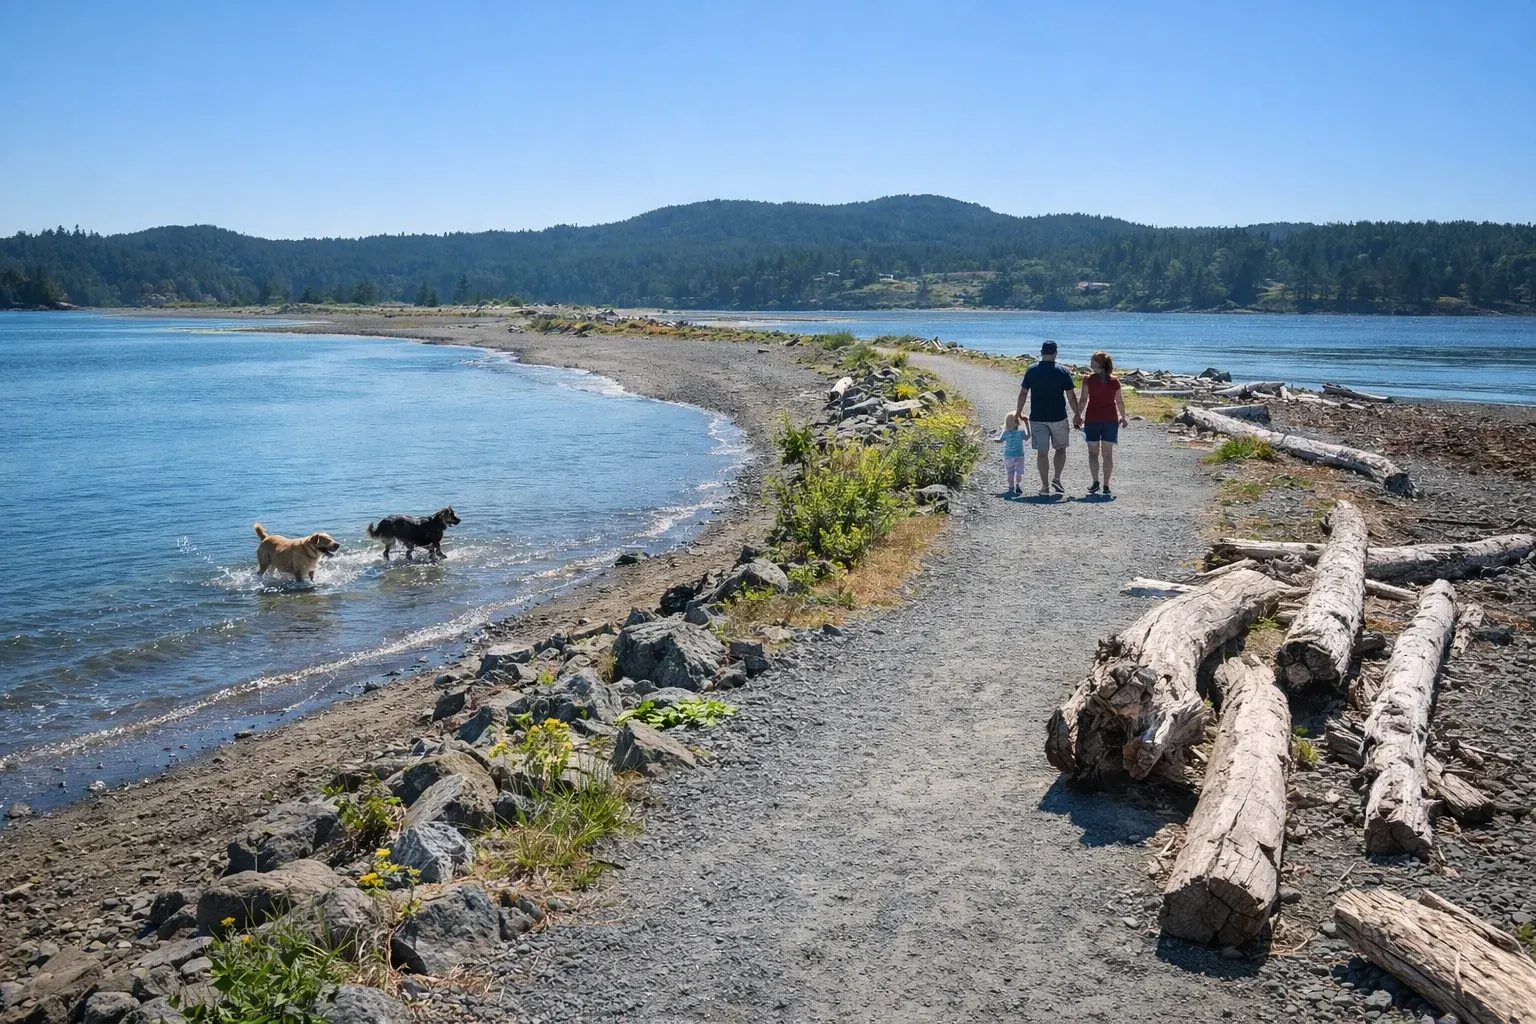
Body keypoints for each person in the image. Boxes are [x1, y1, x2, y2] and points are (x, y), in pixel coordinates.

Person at [1015, 340, 1081, 495]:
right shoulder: (1063, 371)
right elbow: (1071, 396)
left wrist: (1018, 412)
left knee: (1042, 452)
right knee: (1060, 449)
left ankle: (1044, 486)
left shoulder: (1031, 370)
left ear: (1042, 353)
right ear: (1055, 353)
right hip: (1058, 416)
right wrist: (1077, 414)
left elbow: (1023, 392)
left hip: (1037, 417)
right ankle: (1057, 478)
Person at [1073, 349, 1130, 496]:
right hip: (1110, 420)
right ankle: (1105, 485)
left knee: (1093, 453)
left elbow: (1083, 400)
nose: (1090, 362)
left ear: (1098, 363)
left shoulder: (1088, 379)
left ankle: (1095, 481)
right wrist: (1123, 417)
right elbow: (1119, 401)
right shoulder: (1114, 381)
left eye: (1093, 360)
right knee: (1107, 454)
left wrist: (1078, 415)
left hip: (1093, 419)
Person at [1000, 412, 1027, 495]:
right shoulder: (1021, 433)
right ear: (1018, 423)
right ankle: (1018, 484)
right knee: (1019, 471)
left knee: (1010, 472)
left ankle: (1011, 486)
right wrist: (1026, 423)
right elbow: (1028, 436)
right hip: (1019, 455)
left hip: (1008, 455)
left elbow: (1000, 440)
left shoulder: (1006, 433)